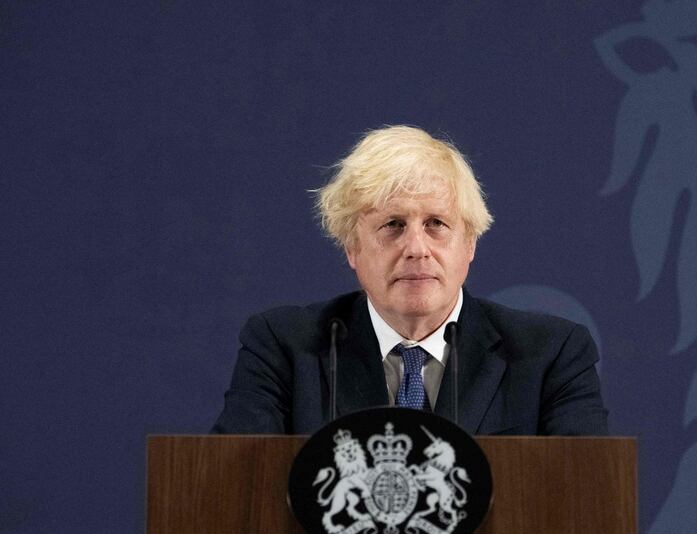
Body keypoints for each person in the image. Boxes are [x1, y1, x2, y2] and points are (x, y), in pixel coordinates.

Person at [211, 125, 608, 435]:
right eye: (393, 225)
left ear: (469, 243)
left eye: (436, 224)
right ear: (352, 248)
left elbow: (583, 504)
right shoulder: (284, 349)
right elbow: (233, 489)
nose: (416, 248)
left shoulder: (551, 355)